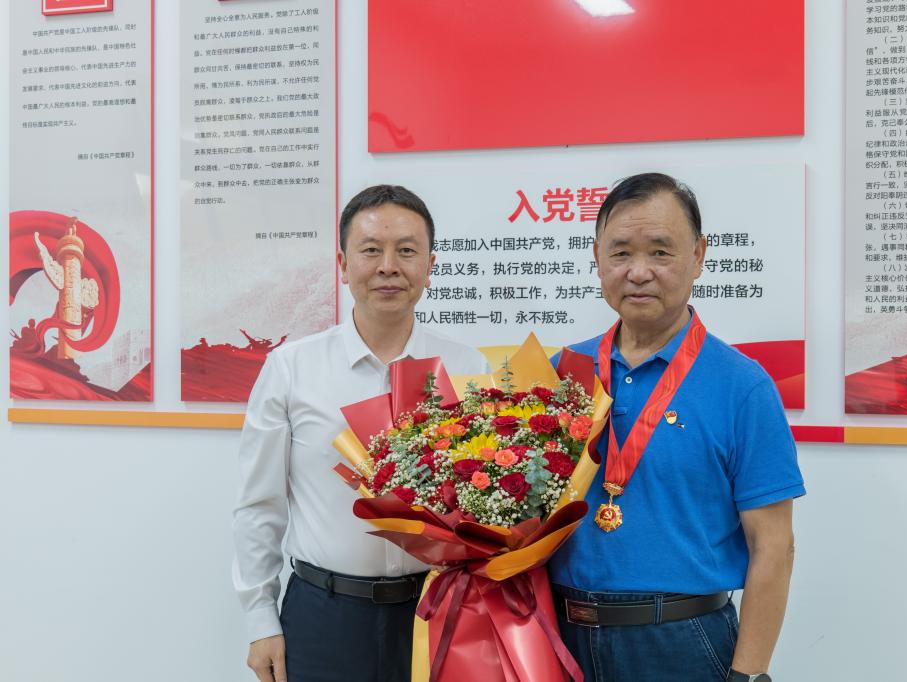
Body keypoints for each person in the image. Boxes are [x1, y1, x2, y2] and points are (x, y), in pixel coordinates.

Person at [549, 172, 805, 682]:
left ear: (698, 255)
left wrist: (749, 674)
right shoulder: (561, 372)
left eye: (660, 252)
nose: (638, 272)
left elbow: (773, 545)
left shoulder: (742, 385)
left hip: (681, 641)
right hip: (560, 634)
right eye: (621, 253)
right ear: (597, 258)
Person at [232, 185, 490, 682]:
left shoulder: (466, 367)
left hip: (434, 609)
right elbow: (259, 504)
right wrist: (259, 618)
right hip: (324, 614)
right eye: (371, 250)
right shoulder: (291, 368)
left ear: (430, 265)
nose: (389, 266)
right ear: (343, 265)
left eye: (407, 251)